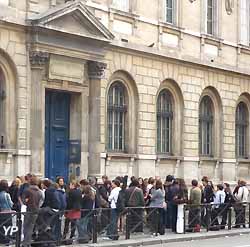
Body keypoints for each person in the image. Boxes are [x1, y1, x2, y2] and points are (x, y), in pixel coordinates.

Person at [22, 176, 43, 247]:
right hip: (36, 211)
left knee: (26, 227)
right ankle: (27, 243)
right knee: (31, 228)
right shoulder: (39, 192)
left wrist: (26, 201)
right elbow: (40, 202)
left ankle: (25, 243)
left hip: (29, 211)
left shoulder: (27, 190)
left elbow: (24, 201)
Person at [0, 180, 13, 244]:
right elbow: (10, 204)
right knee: (8, 226)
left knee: (2, 225)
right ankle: (7, 240)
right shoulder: (6, 194)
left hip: (1, 212)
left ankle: (1, 239)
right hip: (7, 212)